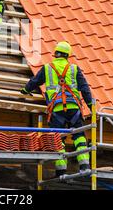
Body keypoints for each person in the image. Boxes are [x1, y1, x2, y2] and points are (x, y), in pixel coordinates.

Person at [20, 41, 93, 177]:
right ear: (67, 55)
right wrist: (91, 108)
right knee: (79, 138)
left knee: (58, 139)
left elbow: (34, 82)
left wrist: (25, 90)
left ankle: (60, 171)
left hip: (57, 109)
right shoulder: (74, 69)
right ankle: (84, 166)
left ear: (56, 54)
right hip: (74, 109)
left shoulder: (47, 68)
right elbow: (85, 90)